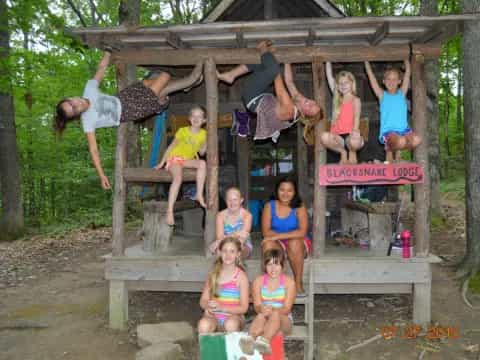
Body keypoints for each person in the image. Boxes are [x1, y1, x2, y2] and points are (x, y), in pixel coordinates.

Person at [54, 50, 203, 189]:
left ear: (71, 98)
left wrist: (108, 51)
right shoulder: (88, 120)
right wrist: (101, 175)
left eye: (71, 102)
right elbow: (93, 150)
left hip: (126, 96)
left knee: (157, 82)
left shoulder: (89, 90)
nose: (76, 104)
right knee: (165, 76)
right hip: (130, 110)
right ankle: (184, 85)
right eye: (74, 109)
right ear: (76, 115)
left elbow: (101, 68)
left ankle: (186, 85)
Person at [217, 41, 321, 142]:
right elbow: (289, 82)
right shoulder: (300, 101)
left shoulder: (289, 110)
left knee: (272, 69)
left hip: (252, 97)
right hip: (263, 96)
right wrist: (287, 61)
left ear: (303, 114)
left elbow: (277, 78)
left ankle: (261, 46)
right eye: (314, 103)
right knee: (265, 64)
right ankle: (231, 75)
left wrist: (269, 53)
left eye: (310, 107)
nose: (311, 102)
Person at [154, 105, 207, 226]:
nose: (196, 118)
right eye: (193, 116)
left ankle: (199, 194)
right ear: (189, 119)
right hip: (175, 158)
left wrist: (207, 142)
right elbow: (171, 147)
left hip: (187, 160)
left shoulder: (204, 134)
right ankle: (170, 210)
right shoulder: (183, 131)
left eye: (199, 116)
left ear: (204, 120)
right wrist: (161, 163)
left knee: (203, 163)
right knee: (178, 178)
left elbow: (202, 152)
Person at [239, 248, 295, 355]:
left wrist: (272, 310)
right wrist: (262, 309)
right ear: (264, 266)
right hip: (264, 316)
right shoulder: (258, 281)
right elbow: (257, 306)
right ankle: (249, 339)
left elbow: (287, 309)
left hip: (284, 319)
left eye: (276, 264)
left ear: (283, 266)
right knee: (260, 316)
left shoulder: (289, 283)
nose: (273, 268)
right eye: (269, 264)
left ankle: (264, 341)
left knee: (274, 314)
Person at [364, 60, 422, 163]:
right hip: (388, 132)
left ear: (399, 81)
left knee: (417, 140)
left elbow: (407, 75)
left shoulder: (402, 93)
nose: (391, 82)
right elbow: (371, 78)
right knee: (400, 141)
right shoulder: (382, 95)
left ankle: (397, 157)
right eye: (388, 79)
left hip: (404, 131)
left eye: (395, 79)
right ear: (384, 81)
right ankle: (390, 154)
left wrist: (407, 62)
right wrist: (366, 63)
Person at [261, 177, 310, 296]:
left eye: (290, 190)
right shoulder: (269, 206)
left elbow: (302, 232)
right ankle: (274, 284)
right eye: (282, 189)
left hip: (298, 242)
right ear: (277, 190)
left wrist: (279, 236)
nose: (285, 193)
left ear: (295, 192)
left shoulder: (299, 206)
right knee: (267, 244)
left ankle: (298, 283)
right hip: (277, 242)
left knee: (294, 242)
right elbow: (266, 232)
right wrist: (277, 238)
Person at [197, 237, 249, 334]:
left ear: (238, 254)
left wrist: (222, 308)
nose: (228, 255)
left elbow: (244, 308)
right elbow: (203, 300)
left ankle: (231, 345)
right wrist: (207, 306)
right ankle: (210, 347)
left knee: (230, 324)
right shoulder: (213, 274)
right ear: (220, 253)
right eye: (224, 251)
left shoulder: (241, 277)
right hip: (214, 317)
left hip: (233, 317)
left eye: (232, 251)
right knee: (203, 325)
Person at [320, 62, 364, 164]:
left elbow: (357, 117)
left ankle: (352, 152)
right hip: (337, 137)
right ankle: (343, 153)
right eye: (340, 83)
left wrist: (355, 132)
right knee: (324, 137)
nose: (343, 85)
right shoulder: (337, 98)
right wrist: (328, 62)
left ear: (352, 83)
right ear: (337, 86)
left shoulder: (356, 100)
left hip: (350, 135)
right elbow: (329, 77)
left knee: (354, 141)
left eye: (346, 82)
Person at [210, 187, 253, 259]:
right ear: (225, 201)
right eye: (229, 200)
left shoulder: (247, 215)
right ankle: (223, 269)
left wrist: (222, 239)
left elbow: (243, 236)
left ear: (241, 200)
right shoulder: (220, 215)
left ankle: (236, 268)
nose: (232, 203)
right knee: (219, 251)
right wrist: (237, 233)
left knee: (237, 250)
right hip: (225, 243)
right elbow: (219, 237)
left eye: (235, 199)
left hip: (242, 244)